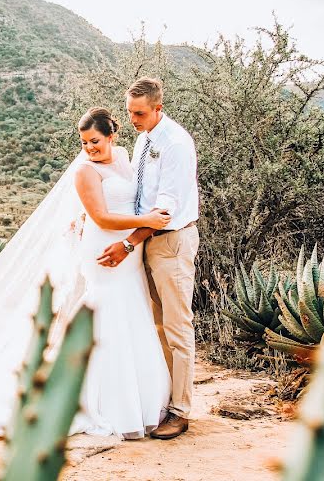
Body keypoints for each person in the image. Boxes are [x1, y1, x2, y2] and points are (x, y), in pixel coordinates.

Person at [0, 104, 175, 440]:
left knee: (132, 314)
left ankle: (141, 398)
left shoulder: (123, 157)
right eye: (84, 143)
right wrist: (146, 222)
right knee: (109, 317)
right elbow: (103, 218)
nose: (90, 149)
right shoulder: (85, 172)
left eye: (95, 141)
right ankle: (99, 400)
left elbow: (133, 198)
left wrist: (136, 234)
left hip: (130, 252)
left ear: (112, 135)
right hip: (104, 252)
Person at [97, 77, 200, 440]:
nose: (133, 119)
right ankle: (162, 399)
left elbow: (166, 208)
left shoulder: (175, 144)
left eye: (139, 113)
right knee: (155, 324)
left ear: (159, 107)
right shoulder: (144, 139)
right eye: (129, 112)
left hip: (170, 242)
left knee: (176, 326)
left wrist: (127, 243)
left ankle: (181, 410)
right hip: (146, 242)